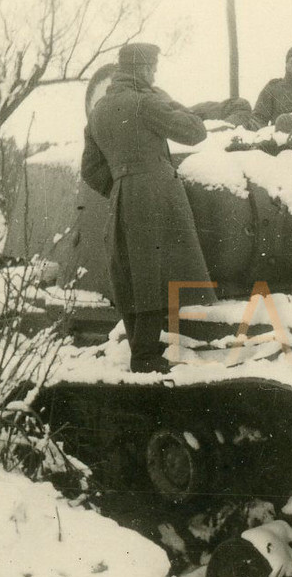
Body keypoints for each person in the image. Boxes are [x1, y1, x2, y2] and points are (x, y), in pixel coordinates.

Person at [80, 43, 217, 374]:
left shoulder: (98, 112)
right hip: (156, 192)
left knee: (133, 272)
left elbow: (90, 169)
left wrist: (120, 186)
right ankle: (145, 356)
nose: (155, 74)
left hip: (122, 195)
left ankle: (142, 348)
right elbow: (195, 132)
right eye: (152, 68)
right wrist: (166, 98)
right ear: (143, 69)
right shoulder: (146, 101)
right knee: (155, 271)